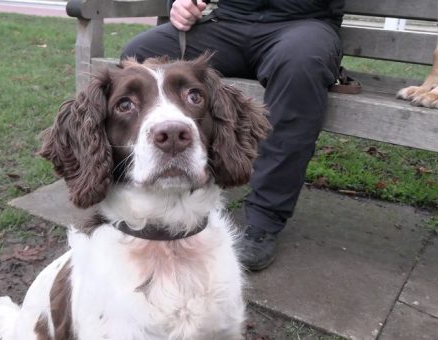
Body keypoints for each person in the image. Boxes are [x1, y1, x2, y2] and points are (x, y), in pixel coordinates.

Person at [121, 0, 344, 271]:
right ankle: (143, 181)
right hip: (228, 24)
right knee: (141, 51)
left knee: (301, 64)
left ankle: (265, 218)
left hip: (302, 27)